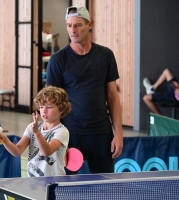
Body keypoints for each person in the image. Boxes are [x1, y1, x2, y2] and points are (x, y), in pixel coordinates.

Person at [46, 5, 123, 174]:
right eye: (69, 25)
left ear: (89, 25)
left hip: (101, 133)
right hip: (69, 134)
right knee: (67, 189)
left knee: (105, 188)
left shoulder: (106, 55)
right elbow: (51, 103)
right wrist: (53, 137)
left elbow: (113, 97)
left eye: (78, 25)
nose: (72, 30)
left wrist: (118, 133)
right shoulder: (58, 60)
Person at [0, 86, 71, 177]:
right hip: (33, 182)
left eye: (49, 107)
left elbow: (47, 151)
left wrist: (36, 132)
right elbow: (17, 151)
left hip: (54, 183)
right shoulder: (31, 127)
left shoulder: (62, 131)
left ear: (61, 110)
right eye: (41, 107)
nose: (44, 111)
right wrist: (5, 140)